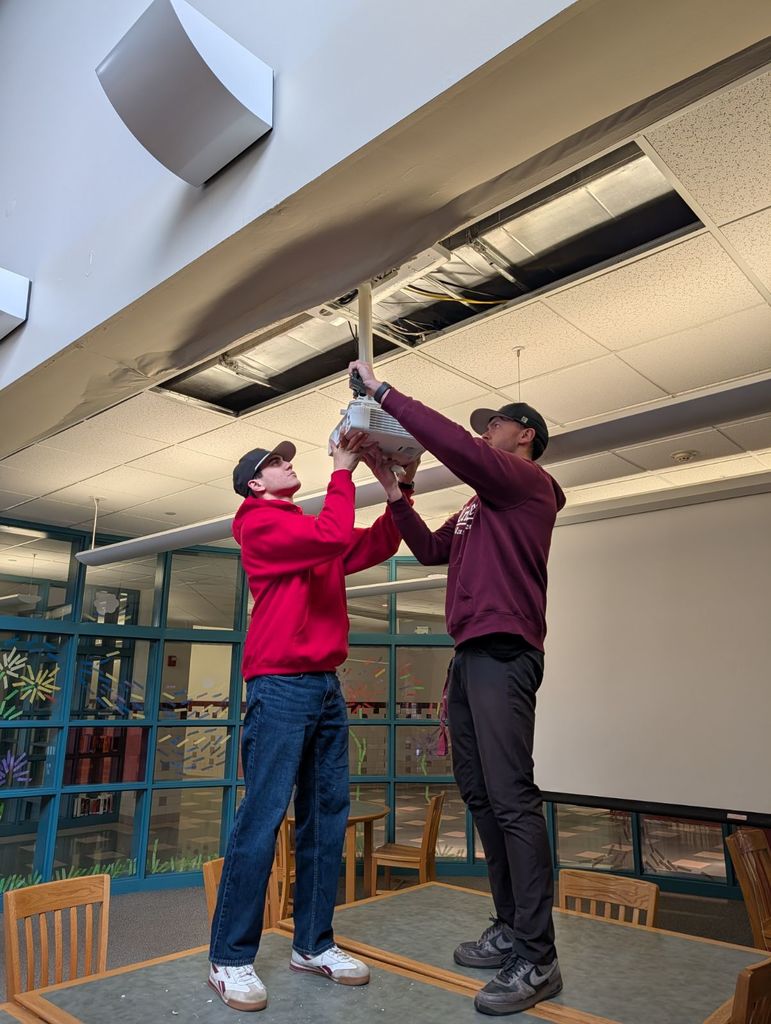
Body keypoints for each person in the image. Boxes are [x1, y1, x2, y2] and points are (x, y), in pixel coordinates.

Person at [349, 359, 566, 1017]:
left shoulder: (525, 483)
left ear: (522, 434)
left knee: (510, 797)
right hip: (470, 655)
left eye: (494, 423)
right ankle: (510, 929)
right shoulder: (480, 507)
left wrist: (383, 393)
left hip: (504, 652)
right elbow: (428, 552)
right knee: (478, 793)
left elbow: (458, 448)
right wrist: (393, 490)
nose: (486, 431)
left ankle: (538, 957)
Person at [208, 434, 416, 1012]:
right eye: (275, 462)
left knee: (326, 819)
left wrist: (399, 489)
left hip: (324, 685)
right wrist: (344, 471)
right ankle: (229, 958)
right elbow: (331, 532)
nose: (287, 465)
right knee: (263, 818)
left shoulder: (306, 533)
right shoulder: (259, 524)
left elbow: (374, 543)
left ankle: (313, 945)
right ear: (254, 483)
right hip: (278, 686)